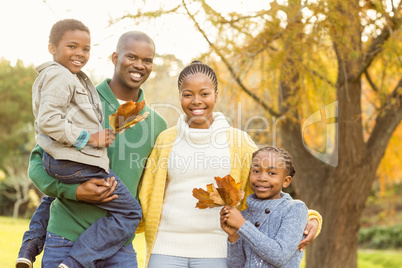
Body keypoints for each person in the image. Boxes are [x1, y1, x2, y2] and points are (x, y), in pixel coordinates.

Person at [138, 60, 322, 268]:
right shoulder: (165, 140)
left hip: (218, 250)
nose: (196, 101)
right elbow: (146, 193)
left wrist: (312, 217)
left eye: (204, 94)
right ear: (180, 96)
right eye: (188, 94)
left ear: (216, 95)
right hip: (166, 248)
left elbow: (270, 180)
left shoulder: (238, 142)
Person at [16, 26, 167, 268]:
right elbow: (37, 164)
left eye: (147, 60)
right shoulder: (79, 99)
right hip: (66, 238)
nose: (139, 65)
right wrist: (74, 192)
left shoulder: (158, 124)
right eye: (131, 57)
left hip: (120, 248)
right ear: (115, 58)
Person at [220, 146, 308, 267]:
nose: (261, 178)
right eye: (256, 171)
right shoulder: (244, 215)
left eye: (272, 173)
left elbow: (280, 256)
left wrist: (242, 225)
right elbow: (236, 266)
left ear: (286, 181)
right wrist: (233, 236)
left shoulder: (294, 209)